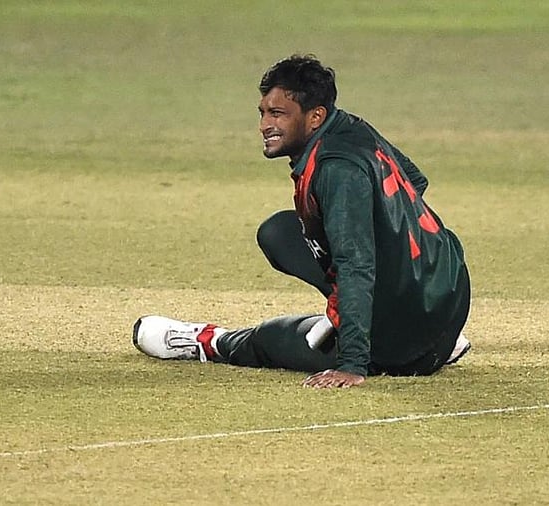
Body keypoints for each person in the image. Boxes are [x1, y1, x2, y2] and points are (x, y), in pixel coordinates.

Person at [133, 54, 472, 389]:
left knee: (270, 340)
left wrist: (353, 363)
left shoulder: (337, 170)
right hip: (447, 300)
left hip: (405, 345)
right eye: (264, 113)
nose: (265, 125)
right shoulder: (351, 127)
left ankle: (205, 341)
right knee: (281, 233)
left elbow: (355, 264)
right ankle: (425, 329)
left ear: (315, 117)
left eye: (278, 114)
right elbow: (414, 180)